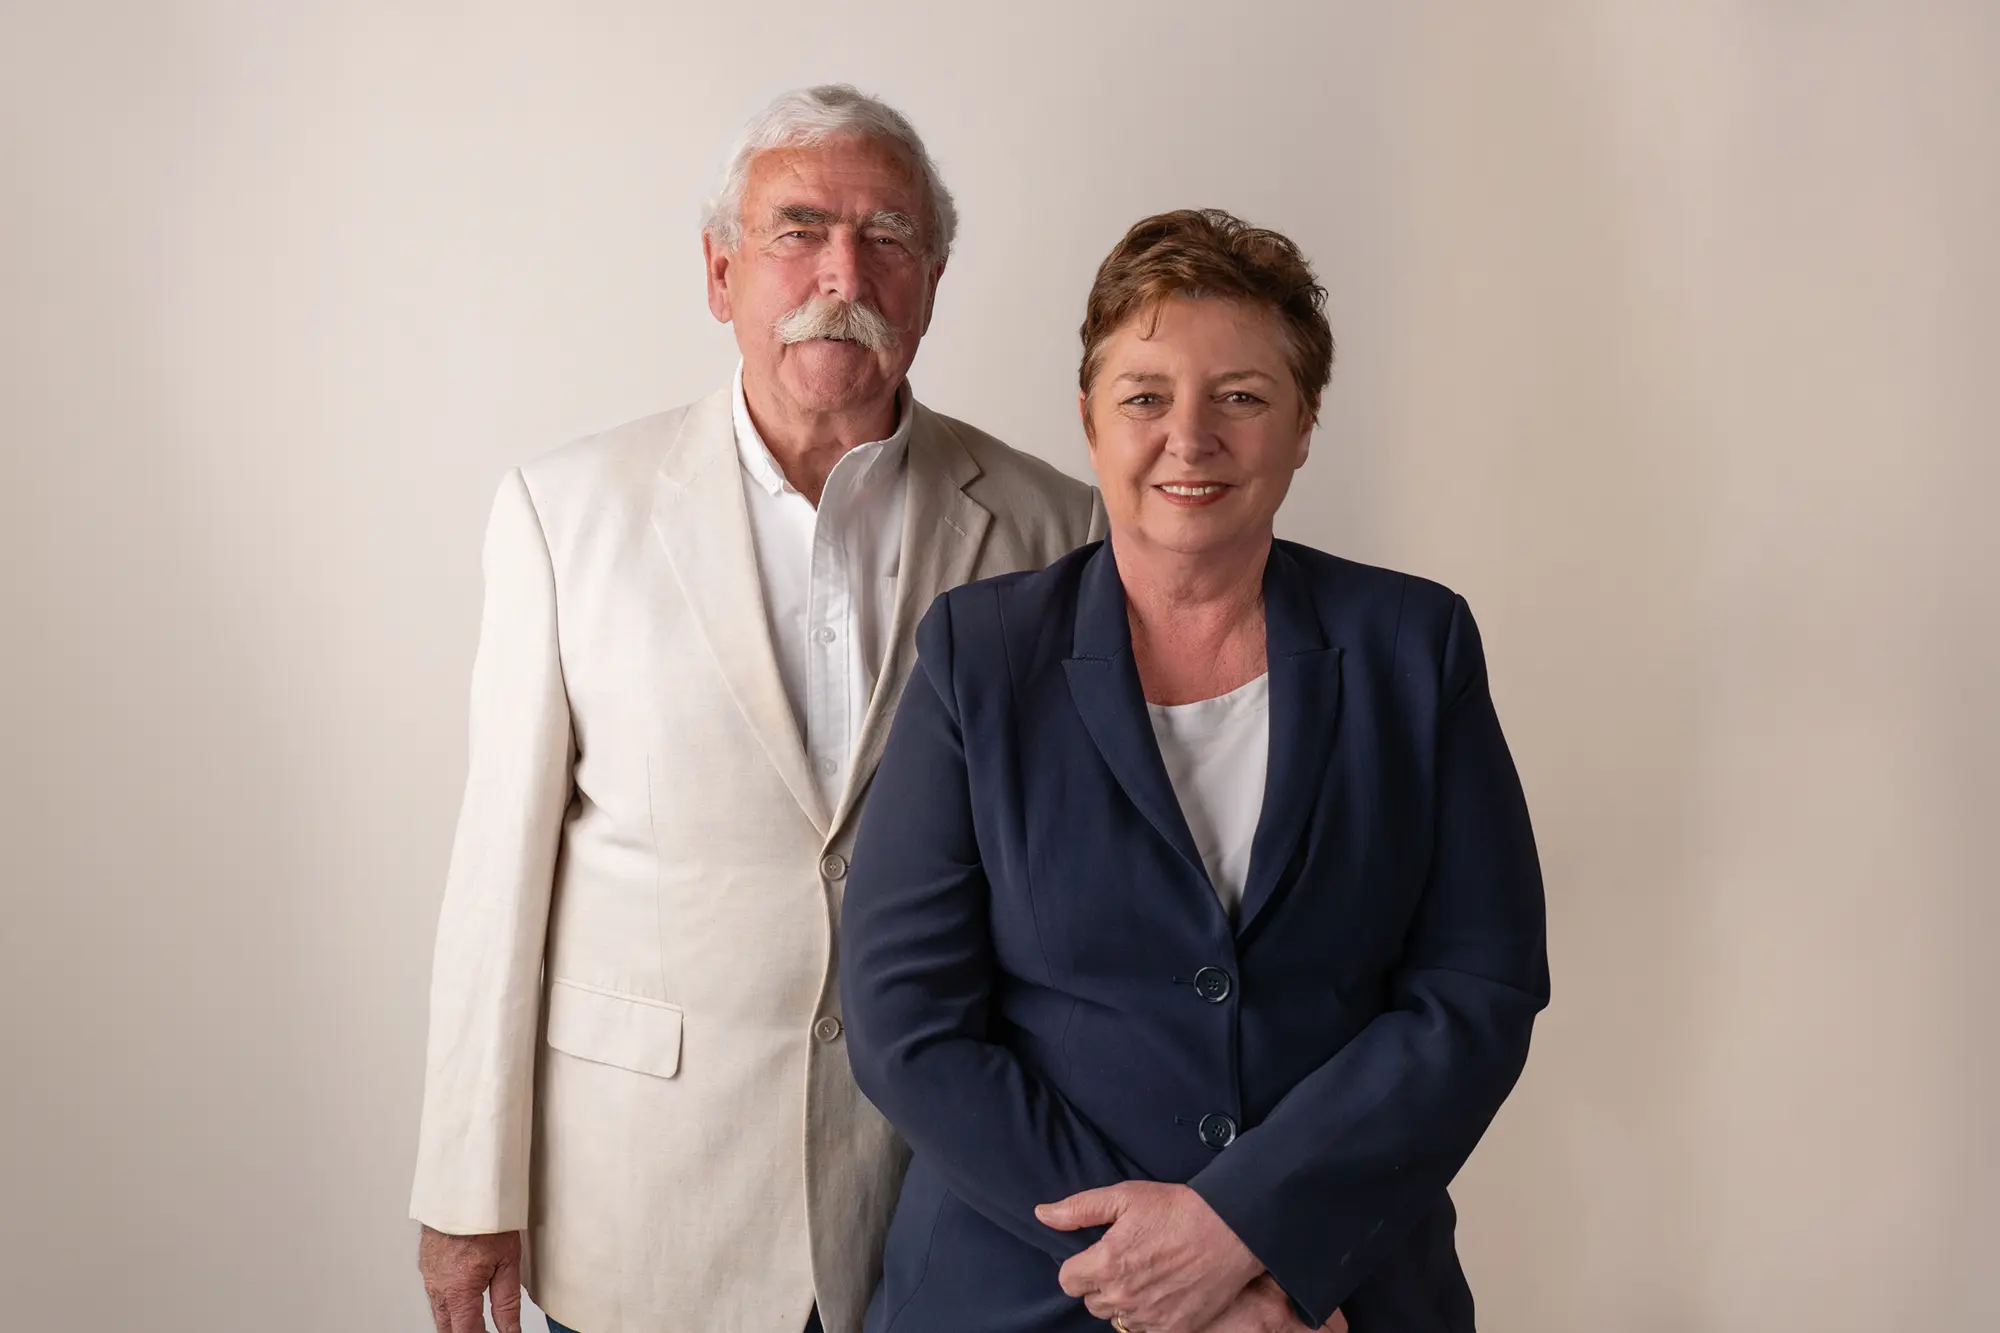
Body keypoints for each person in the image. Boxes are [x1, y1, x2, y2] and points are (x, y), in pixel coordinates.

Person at [408, 85, 1104, 1333]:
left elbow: (1084, 892)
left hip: (948, 1204)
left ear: (932, 280)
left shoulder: (1059, 529)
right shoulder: (566, 516)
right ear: (720, 272)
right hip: (646, 1206)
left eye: (885, 235)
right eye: (797, 230)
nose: (841, 269)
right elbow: (494, 885)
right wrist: (468, 1188)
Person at [840, 209, 1550, 1333]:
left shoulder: (1416, 647)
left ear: (1303, 424)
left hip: (1329, 1292)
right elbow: (903, 1021)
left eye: (1241, 395)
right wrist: (1156, 1269)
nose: (1190, 436)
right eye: (1144, 396)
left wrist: (1249, 1234)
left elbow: (1475, 990)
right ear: (1087, 420)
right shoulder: (978, 655)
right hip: (1026, 1290)